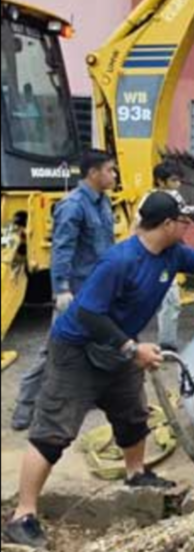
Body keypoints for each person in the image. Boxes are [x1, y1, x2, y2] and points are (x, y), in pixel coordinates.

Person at [2, 192, 194, 550]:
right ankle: (22, 515)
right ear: (167, 224)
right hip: (77, 351)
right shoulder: (120, 260)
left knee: (133, 417)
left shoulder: (174, 254)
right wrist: (132, 348)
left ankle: (136, 475)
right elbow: (88, 314)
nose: (189, 226)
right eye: (184, 220)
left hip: (119, 349)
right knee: (53, 434)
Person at [10, 151, 118, 432]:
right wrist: (61, 290)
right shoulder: (73, 206)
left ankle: (89, 395)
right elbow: (62, 250)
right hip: (77, 291)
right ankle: (26, 405)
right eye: (110, 170)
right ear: (93, 173)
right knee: (54, 348)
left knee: (97, 343)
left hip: (97, 289)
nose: (114, 175)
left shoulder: (103, 203)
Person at [149, 161, 186, 352]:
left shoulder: (177, 199)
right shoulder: (151, 201)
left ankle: (167, 344)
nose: (177, 184)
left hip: (168, 256)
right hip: (154, 258)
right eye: (173, 180)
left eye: (179, 180)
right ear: (160, 181)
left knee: (172, 302)